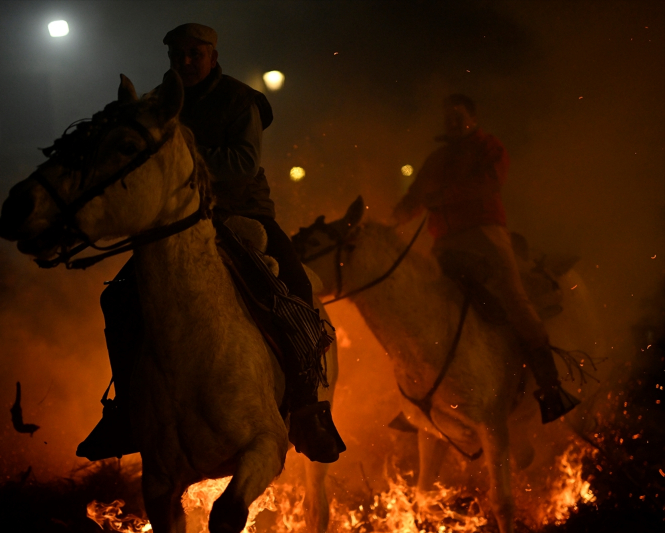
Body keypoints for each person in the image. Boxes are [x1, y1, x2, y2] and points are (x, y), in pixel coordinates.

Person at [77, 23, 345, 462]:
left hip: (243, 214)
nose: (185, 62)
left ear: (212, 55)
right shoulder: (161, 105)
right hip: (181, 221)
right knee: (120, 300)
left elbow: (242, 163)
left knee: (297, 291)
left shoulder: (242, 101)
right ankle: (125, 412)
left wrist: (182, 155)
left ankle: (305, 408)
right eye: (177, 54)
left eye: (194, 54)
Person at [392, 94, 580, 424]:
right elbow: (416, 197)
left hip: (484, 234)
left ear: (472, 119)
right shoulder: (436, 159)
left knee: (515, 300)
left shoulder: (489, 147)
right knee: (428, 308)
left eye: (458, 116)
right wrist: (389, 222)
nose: (452, 123)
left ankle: (551, 388)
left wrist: (444, 196)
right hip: (445, 242)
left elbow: (489, 183)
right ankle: (422, 397)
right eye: (448, 117)